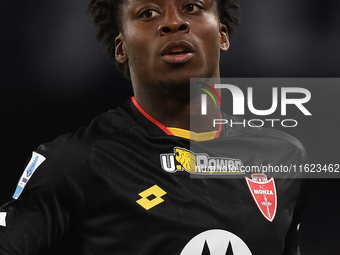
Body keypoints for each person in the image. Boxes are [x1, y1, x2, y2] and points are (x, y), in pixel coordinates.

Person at [0, 0, 309, 254]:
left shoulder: (285, 156)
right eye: (148, 13)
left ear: (223, 35)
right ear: (121, 47)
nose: (174, 23)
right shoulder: (76, 162)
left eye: (192, 7)